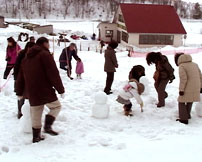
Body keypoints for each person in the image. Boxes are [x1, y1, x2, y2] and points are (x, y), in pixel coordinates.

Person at [16, 37, 65, 143]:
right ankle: (47, 127)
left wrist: (19, 91)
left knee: (36, 112)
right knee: (56, 106)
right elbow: (53, 73)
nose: (49, 46)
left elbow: (20, 76)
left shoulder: (26, 58)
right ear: (44, 43)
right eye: (48, 43)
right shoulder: (45, 55)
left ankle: (36, 136)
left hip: (31, 90)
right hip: (44, 89)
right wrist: (60, 89)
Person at [175, 53, 202, 124]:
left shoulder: (182, 66)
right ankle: (187, 115)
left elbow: (183, 79)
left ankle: (184, 119)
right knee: (190, 100)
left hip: (188, 86)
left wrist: (181, 90)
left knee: (181, 101)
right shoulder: (195, 64)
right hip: (196, 86)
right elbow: (200, 76)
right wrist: (201, 87)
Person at [14, 42, 36, 119]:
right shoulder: (22, 54)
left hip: (30, 77)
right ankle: (20, 111)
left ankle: (31, 111)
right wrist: (16, 78)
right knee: (21, 95)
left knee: (31, 95)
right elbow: (16, 66)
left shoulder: (35, 55)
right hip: (21, 77)